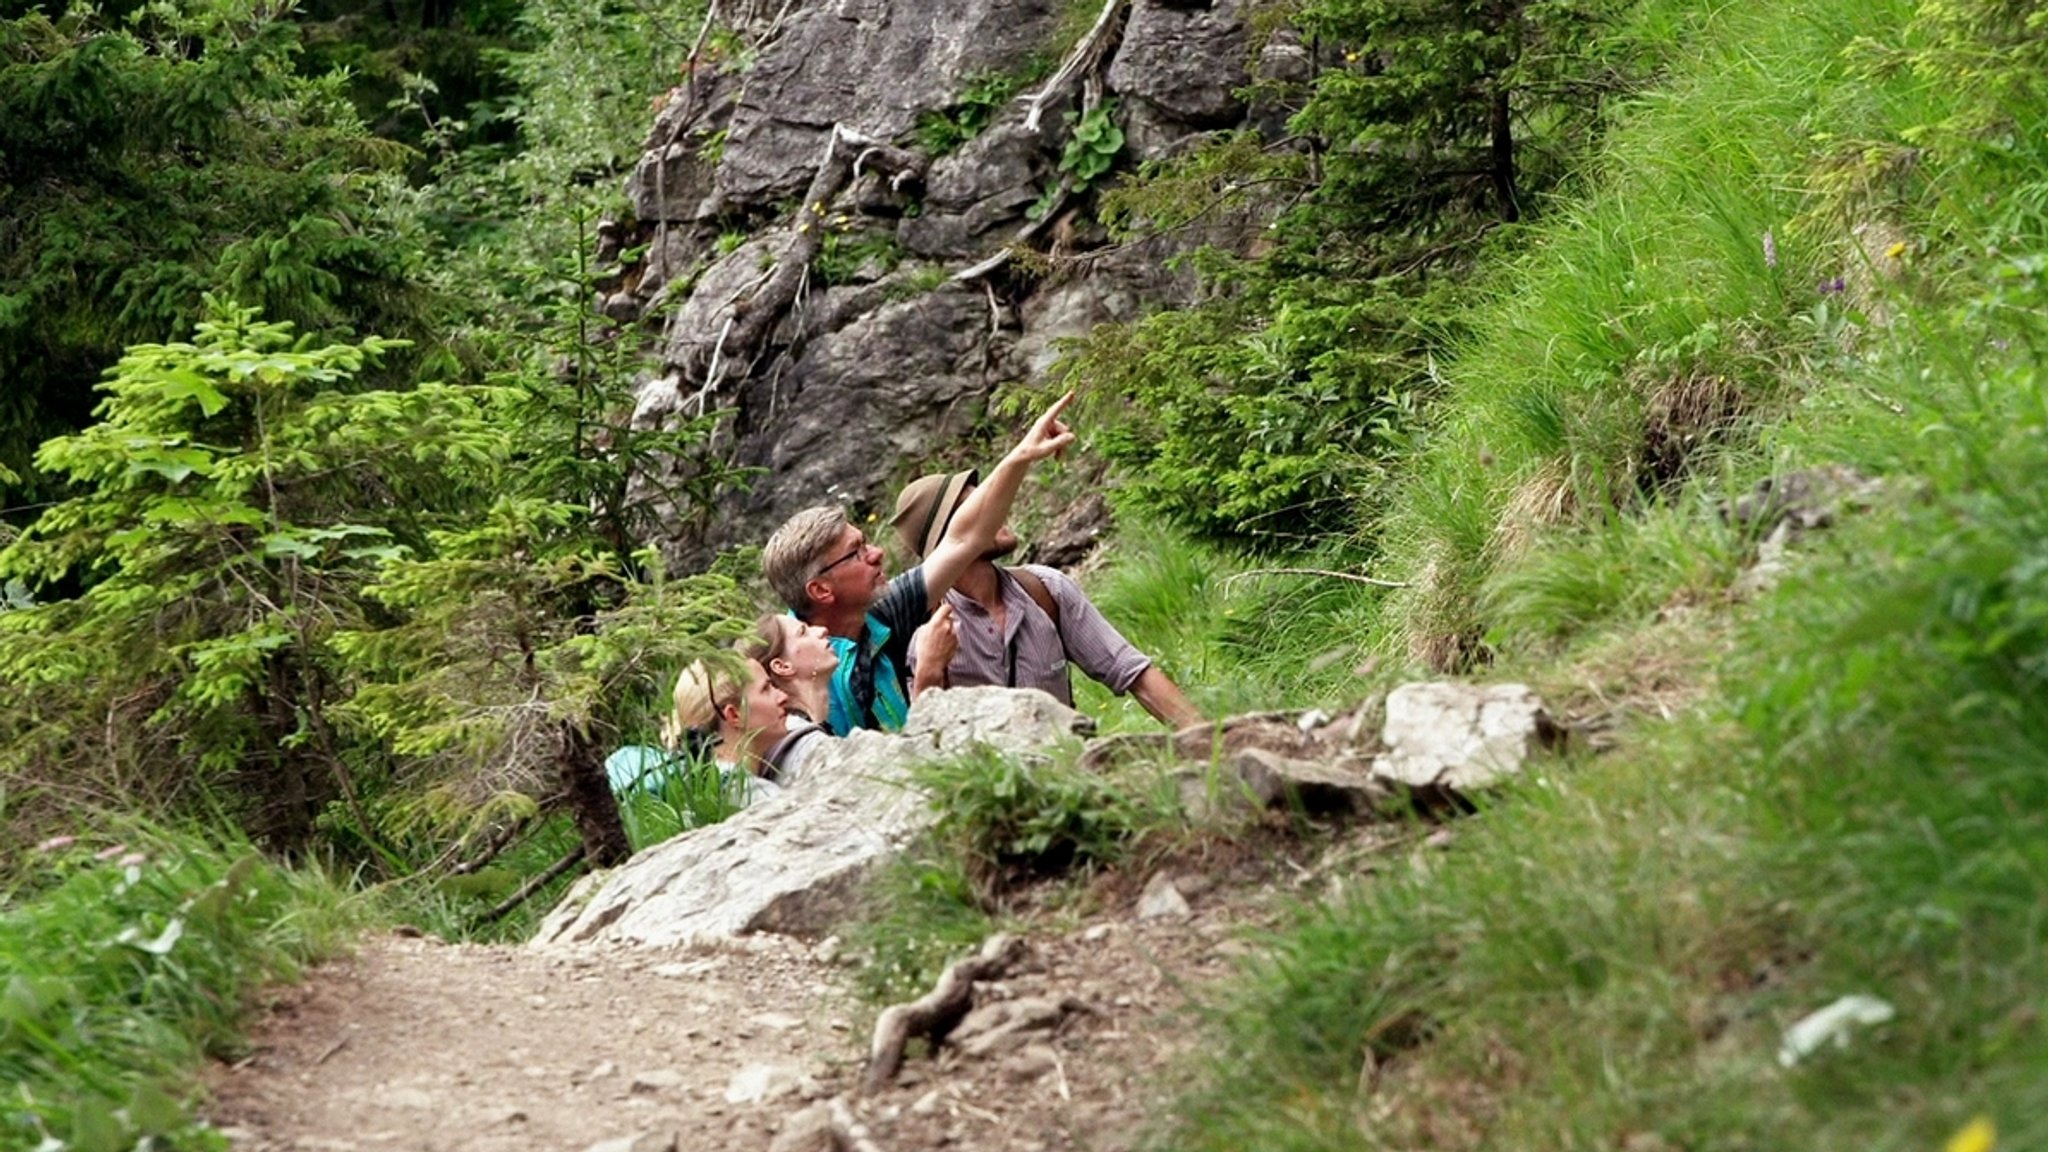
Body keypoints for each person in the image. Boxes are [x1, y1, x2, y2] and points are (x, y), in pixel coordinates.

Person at [760, 392, 1075, 735]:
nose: (877, 554)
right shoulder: (783, 679)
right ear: (821, 589)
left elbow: (962, 539)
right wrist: (927, 673)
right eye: (857, 552)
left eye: (867, 542)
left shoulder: (883, 611)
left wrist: (1020, 457)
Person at [890, 469, 1204, 729]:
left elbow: (1133, 672)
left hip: (1069, 784)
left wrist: (1210, 740)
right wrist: (929, 672)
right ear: (951, 537)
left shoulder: (1045, 590)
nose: (998, 510)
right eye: (978, 507)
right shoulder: (918, 631)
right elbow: (924, 747)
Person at [741, 608, 959, 730]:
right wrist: (929, 673)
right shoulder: (801, 739)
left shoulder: (816, 728)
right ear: (782, 667)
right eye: (803, 632)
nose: (822, 631)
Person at [662, 654, 829, 803]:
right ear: (734, 715)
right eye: (766, 689)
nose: (783, 697)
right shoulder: (760, 799)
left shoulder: (699, 791)